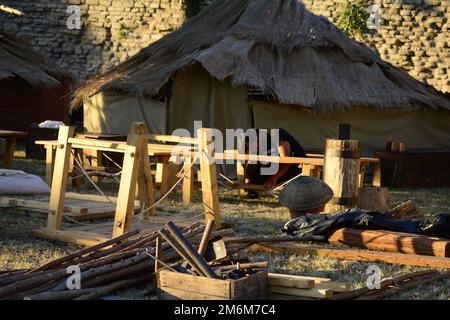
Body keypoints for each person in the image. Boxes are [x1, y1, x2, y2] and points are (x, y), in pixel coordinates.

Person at [243, 128, 307, 196]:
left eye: (257, 144)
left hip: (294, 168)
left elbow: (286, 160)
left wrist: (273, 178)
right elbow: (251, 161)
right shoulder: (251, 144)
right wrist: (248, 180)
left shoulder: (277, 135)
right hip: (273, 168)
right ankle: (252, 191)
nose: (257, 147)